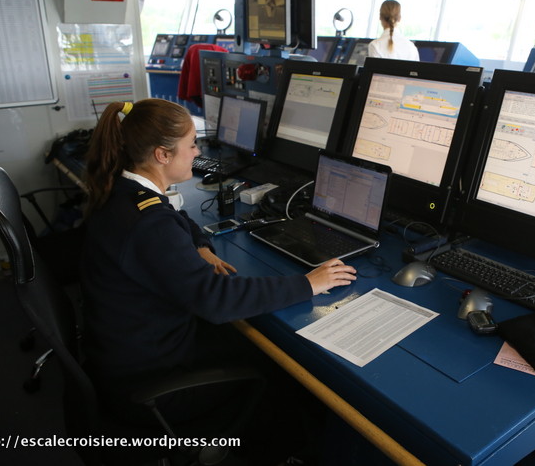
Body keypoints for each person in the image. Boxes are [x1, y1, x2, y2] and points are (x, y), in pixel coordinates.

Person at [80, 98, 356, 460]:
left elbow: (171, 214)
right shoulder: (149, 225)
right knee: (280, 368)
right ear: (163, 155)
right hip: (152, 383)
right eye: (192, 145)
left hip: (126, 354)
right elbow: (216, 299)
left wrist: (198, 244)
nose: (197, 152)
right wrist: (309, 283)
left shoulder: (124, 191)